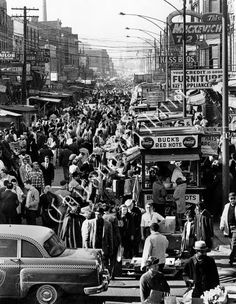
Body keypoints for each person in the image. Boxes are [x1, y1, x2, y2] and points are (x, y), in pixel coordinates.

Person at [220, 192, 236, 266]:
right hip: (228, 227)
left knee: (234, 243)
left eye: (234, 198)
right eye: (231, 199)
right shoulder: (226, 206)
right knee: (231, 243)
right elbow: (223, 216)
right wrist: (222, 225)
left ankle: (231, 259)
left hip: (235, 227)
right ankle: (234, 255)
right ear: (229, 199)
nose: (233, 200)